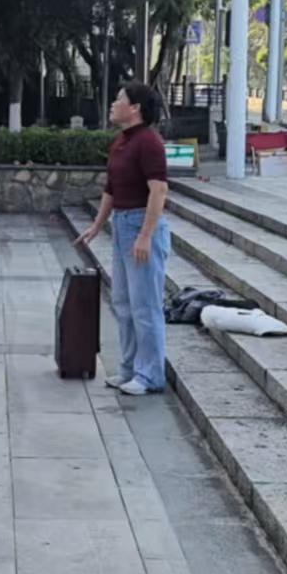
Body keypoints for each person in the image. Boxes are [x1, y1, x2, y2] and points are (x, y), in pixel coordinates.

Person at [78, 83, 170, 395]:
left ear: (135, 108)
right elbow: (111, 188)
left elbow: (159, 190)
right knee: (123, 302)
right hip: (122, 224)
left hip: (142, 225)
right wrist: (97, 225)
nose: (113, 103)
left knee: (145, 306)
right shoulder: (121, 141)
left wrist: (145, 235)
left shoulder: (149, 142)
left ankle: (150, 375)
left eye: (119, 99)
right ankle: (130, 368)